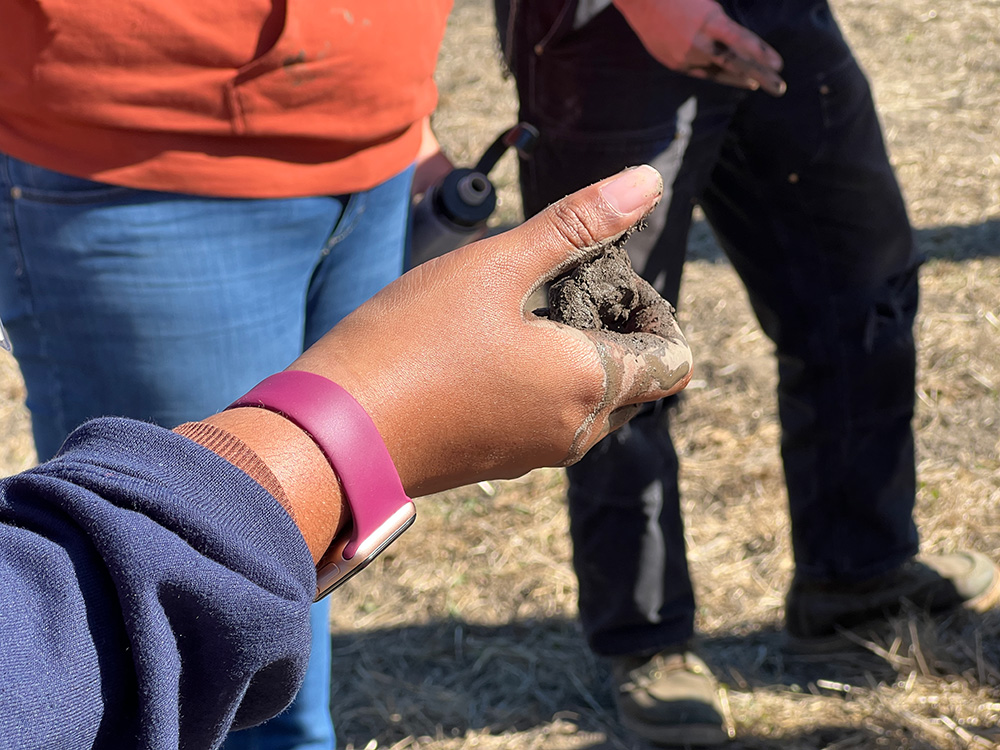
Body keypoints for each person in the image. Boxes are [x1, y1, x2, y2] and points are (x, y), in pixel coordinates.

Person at [0, 166, 694, 750]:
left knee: (277, 686)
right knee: (175, 638)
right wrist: (360, 429)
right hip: (134, 175)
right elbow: (55, 650)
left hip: (372, 158)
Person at [494, 0, 1000, 746]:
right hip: (610, 26)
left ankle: (854, 579)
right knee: (609, 336)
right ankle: (647, 637)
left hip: (780, 13)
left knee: (863, 291)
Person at [0, 3, 458, 748]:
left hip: (377, 141)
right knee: (184, 623)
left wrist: (404, 93)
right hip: (133, 154)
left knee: (288, 581)